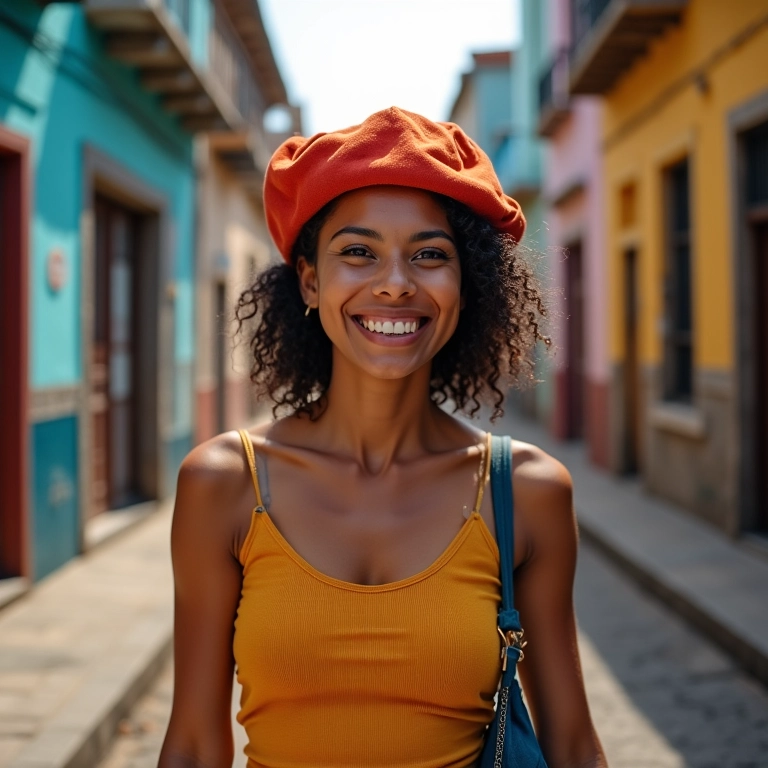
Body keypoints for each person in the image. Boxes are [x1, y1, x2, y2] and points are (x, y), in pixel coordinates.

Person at [159, 107, 607, 768]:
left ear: (466, 285)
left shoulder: (526, 494)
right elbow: (195, 745)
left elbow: (572, 746)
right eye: (358, 252)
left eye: (429, 254)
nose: (396, 283)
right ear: (310, 280)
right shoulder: (224, 484)